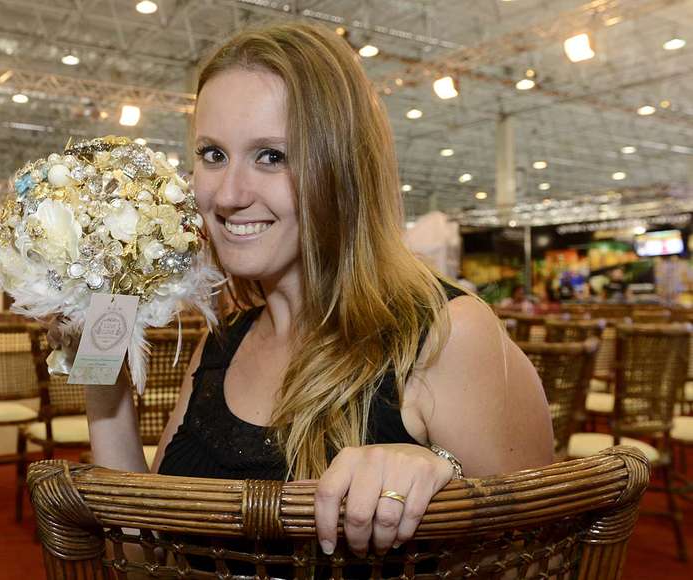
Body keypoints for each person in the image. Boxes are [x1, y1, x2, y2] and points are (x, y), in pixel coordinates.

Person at [79, 22, 552, 562]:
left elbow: (539, 561)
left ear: (342, 169)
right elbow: (148, 558)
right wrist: (101, 377)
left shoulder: (447, 335)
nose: (228, 195)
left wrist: (444, 477)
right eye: (213, 154)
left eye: (271, 156)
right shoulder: (224, 341)